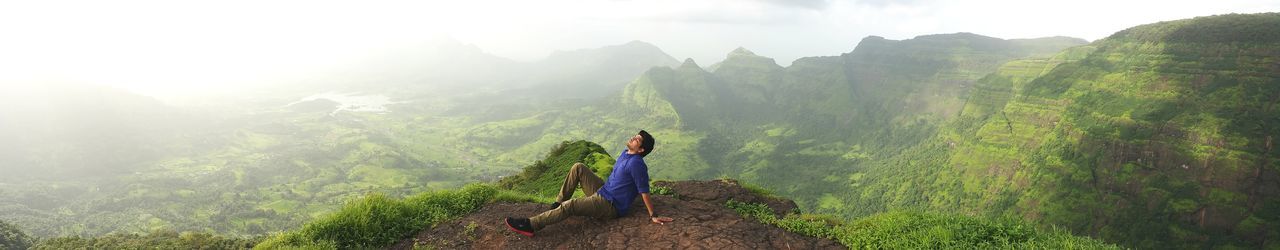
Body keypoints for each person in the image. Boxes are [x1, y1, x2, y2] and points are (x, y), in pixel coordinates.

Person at [505, 130, 674, 237]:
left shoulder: (637, 163)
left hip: (609, 205)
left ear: (641, 149)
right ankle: (556, 204)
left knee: (570, 206)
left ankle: (531, 225)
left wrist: (653, 215)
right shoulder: (626, 153)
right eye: (636, 136)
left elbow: (644, 190)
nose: (633, 138)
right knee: (578, 167)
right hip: (604, 190)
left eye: (637, 139)